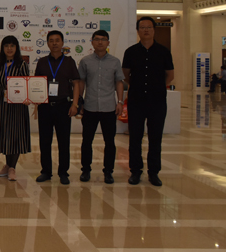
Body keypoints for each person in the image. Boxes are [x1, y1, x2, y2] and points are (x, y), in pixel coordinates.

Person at [122, 16, 174, 187]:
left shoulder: (163, 51)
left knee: (155, 138)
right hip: (136, 100)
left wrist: (156, 86)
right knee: (135, 138)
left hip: (157, 101)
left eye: (149, 27)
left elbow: (170, 75)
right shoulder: (131, 52)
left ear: (154, 30)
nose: (146, 30)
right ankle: (135, 171)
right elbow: (126, 74)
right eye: (142, 27)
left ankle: (154, 172)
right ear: (138, 31)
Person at [77, 30, 124, 184]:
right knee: (86, 141)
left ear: (108, 42)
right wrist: (80, 102)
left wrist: (120, 101)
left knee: (109, 142)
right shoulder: (85, 61)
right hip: (89, 106)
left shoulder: (115, 62)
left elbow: (119, 82)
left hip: (109, 107)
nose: (100, 42)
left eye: (103, 39)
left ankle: (108, 171)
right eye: (97, 39)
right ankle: (85, 170)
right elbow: (81, 82)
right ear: (92, 42)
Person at [33, 30, 80, 185]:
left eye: (57, 40)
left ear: (62, 43)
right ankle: (46, 171)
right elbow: (36, 84)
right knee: (45, 141)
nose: (54, 43)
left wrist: (75, 104)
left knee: (63, 141)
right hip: (45, 107)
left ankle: (63, 172)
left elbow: (76, 84)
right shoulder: (41, 62)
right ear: (47, 43)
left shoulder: (69, 62)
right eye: (51, 40)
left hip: (63, 106)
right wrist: (34, 101)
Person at [0, 36, 31, 182]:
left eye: (12, 46)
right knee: (5, 134)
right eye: (6, 46)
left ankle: (12, 167)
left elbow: (26, 83)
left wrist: (27, 98)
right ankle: (7, 165)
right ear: (2, 48)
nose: (9, 49)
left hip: (18, 104)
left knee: (16, 135)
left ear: (16, 48)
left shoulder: (22, 64)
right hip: (3, 103)